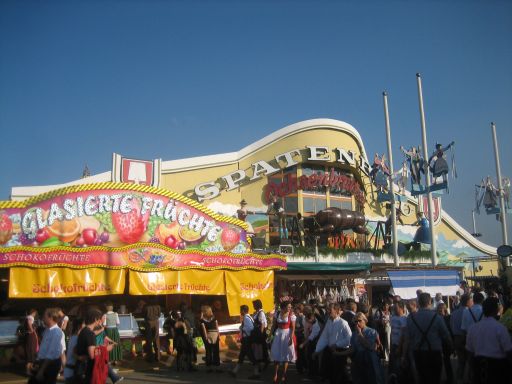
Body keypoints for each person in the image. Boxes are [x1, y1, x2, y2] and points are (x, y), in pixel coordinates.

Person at [406, 292, 452, 384]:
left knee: (422, 378)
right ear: (430, 302)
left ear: (418, 303)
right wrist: (451, 347)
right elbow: (446, 335)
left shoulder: (411, 318)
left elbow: (408, 338)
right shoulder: (437, 317)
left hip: (418, 352)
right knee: (435, 378)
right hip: (434, 352)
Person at [466, 297, 512, 384]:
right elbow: (508, 350)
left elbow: (470, 352)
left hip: (478, 367)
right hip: (498, 369)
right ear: (496, 310)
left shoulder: (473, 328)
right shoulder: (500, 328)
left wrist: (472, 369)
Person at [314, 302, 352, 384]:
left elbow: (349, 338)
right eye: (328, 309)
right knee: (330, 374)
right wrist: (317, 350)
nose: (328, 311)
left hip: (340, 351)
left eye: (330, 309)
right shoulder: (329, 322)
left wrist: (337, 344)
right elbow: (324, 337)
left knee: (339, 375)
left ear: (337, 310)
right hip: (330, 351)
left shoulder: (343, 323)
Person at [75, 309, 113, 384]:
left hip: (80, 367)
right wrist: (106, 349)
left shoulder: (83, 331)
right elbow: (92, 355)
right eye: (99, 319)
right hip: (88, 369)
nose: (101, 321)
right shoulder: (90, 333)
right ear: (95, 319)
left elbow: (76, 348)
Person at [28, 308, 64, 384]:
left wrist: (41, 371)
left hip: (50, 365)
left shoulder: (56, 332)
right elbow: (43, 349)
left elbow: (50, 354)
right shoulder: (47, 330)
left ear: (50, 318)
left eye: (45, 317)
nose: (43, 318)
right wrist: (35, 362)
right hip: (43, 363)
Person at [351, 312, 384, 384]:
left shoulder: (371, 331)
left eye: (360, 321)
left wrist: (360, 334)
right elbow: (353, 349)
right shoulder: (353, 334)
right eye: (356, 321)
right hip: (359, 360)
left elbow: (371, 346)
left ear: (365, 321)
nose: (357, 323)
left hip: (370, 360)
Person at [270, 301, 296, 383]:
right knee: (276, 354)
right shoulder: (277, 313)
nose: (290, 308)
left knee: (286, 355)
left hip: (286, 334)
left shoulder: (291, 315)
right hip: (278, 334)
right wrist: (270, 335)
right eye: (288, 307)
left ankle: (284, 374)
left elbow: (293, 328)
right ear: (283, 307)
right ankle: (275, 374)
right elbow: (274, 325)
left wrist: (291, 338)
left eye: (290, 307)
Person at [231, 305, 259, 379]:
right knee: (241, 355)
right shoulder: (248, 317)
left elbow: (250, 328)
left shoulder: (246, 318)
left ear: (243, 310)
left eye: (240, 310)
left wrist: (242, 328)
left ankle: (256, 373)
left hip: (247, 339)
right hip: (246, 339)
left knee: (250, 356)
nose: (240, 312)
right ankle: (234, 371)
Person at [451, 294, 470, 383]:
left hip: (457, 338)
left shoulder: (454, 313)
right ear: (468, 301)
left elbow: (451, 327)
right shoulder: (469, 312)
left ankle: (459, 380)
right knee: (471, 362)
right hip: (468, 338)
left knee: (461, 362)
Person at [389, 301, 407, 382]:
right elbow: (392, 331)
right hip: (393, 344)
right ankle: (394, 378)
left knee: (399, 364)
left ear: (402, 309)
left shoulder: (404, 319)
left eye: (396, 308)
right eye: (394, 308)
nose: (394, 310)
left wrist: (400, 347)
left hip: (400, 345)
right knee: (393, 364)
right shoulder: (392, 318)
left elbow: (403, 335)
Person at [200, 305, 221, 372]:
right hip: (215, 334)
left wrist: (206, 337)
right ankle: (217, 367)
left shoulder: (203, 320)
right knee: (216, 351)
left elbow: (204, 329)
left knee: (208, 351)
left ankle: (209, 368)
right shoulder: (214, 318)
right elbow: (217, 327)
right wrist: (219, 335)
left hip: (209, 334)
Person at [437, 302, 454, 384]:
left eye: (441, 311)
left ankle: (450, 378)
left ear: (445, 310)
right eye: (439, 311)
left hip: (445, 342)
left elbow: (450, 331)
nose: (440, 312)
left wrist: (451, 343)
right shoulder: (437, 319)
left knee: (447, 361)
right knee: (439, 362)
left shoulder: (448, 318)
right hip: (438, 342)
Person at [63, 318, 84, 384]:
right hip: (72, 371)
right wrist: (85, 358)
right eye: (84, 324)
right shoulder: (77, 339)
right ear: (79, 326)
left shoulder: (72, 337)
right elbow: (74, 353)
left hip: (68, 370)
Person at [252, 299, 269, 369]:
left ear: (257, 305)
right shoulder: (256, 312)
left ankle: (264, 362)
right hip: (257, 332)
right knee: (259, 348)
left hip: (260, 332)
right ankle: (260, 362)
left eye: (254, 305)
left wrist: (260, 334)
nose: (253, 306)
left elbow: (262, 324)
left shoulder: (261, 313)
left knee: (262, 348)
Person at [24, 309, 39, 376]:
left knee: (30, 353)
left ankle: (30, 370)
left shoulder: (28, 317)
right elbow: (29, 324)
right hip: (31, 336)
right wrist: (32, 331)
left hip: (29, 336)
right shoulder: (30, 317)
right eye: (35, 313)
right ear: (33, 312)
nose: (35, 314)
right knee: (31, 353)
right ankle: (28, 370)